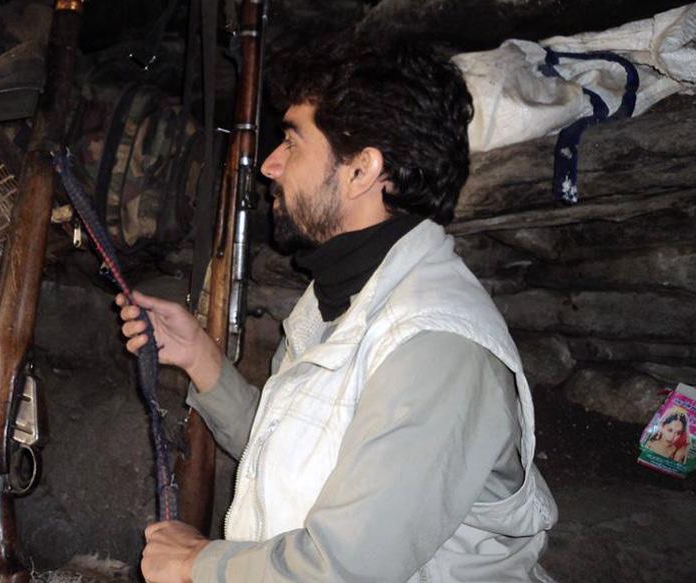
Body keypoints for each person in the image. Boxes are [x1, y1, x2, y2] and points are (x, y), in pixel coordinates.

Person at [117, 34, 558, 583]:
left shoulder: (434, 345)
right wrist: (200, 360)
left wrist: (195, 564)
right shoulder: (346, 297)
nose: (270, 167)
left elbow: (346, 570)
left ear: (361, 171)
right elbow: (302, 452)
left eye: (293, 143)